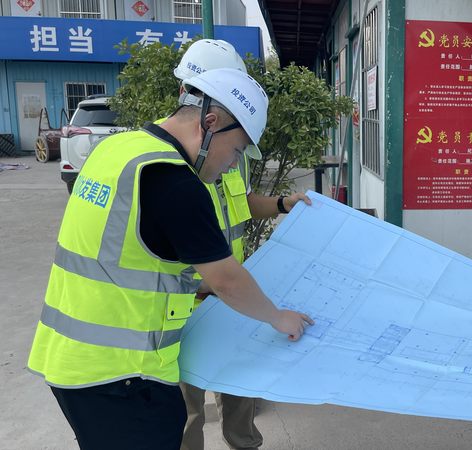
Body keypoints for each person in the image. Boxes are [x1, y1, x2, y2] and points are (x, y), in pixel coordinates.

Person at [27, 68, 313, 450]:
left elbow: (125, 254)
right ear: (210, 124)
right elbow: (227, 280)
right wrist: (279, 317)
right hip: (124, 377)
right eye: (237, 150)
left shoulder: (117, 150)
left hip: (69, 361)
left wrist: (196, 283)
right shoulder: (175, 181)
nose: (233, 164)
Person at [172, 38, 309, 450]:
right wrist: (272, 314)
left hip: (234, 299)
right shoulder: (169, 161)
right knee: (187, 410)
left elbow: (243, 202)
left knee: (240, 390)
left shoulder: (233, 149)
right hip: (186, 305)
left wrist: (283, 203)